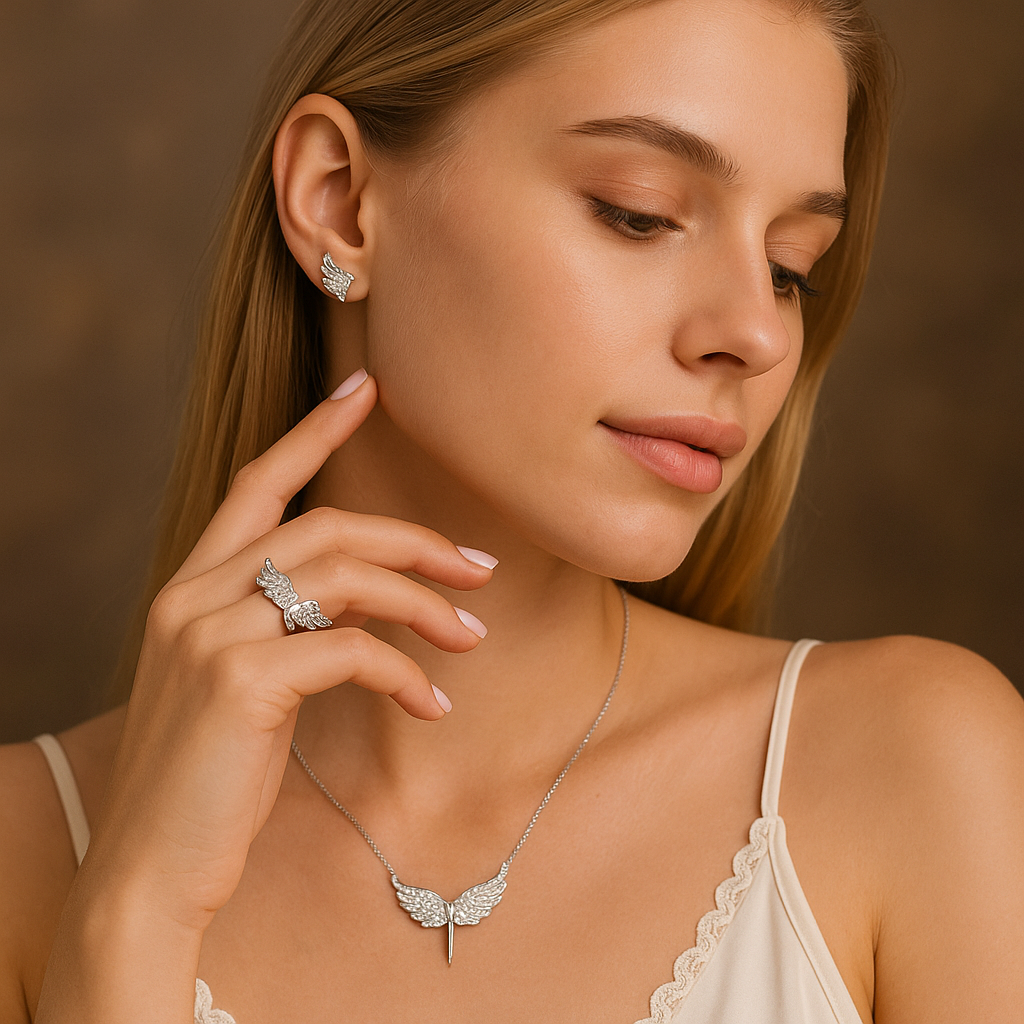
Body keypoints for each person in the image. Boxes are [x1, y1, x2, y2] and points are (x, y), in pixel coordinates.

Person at [3, 0, 1022, 1021]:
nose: (755, 333)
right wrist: (134, 912)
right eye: (638, 213)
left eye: (790, 266)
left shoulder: (924, 772)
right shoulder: (22, 855)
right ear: (339, 201)